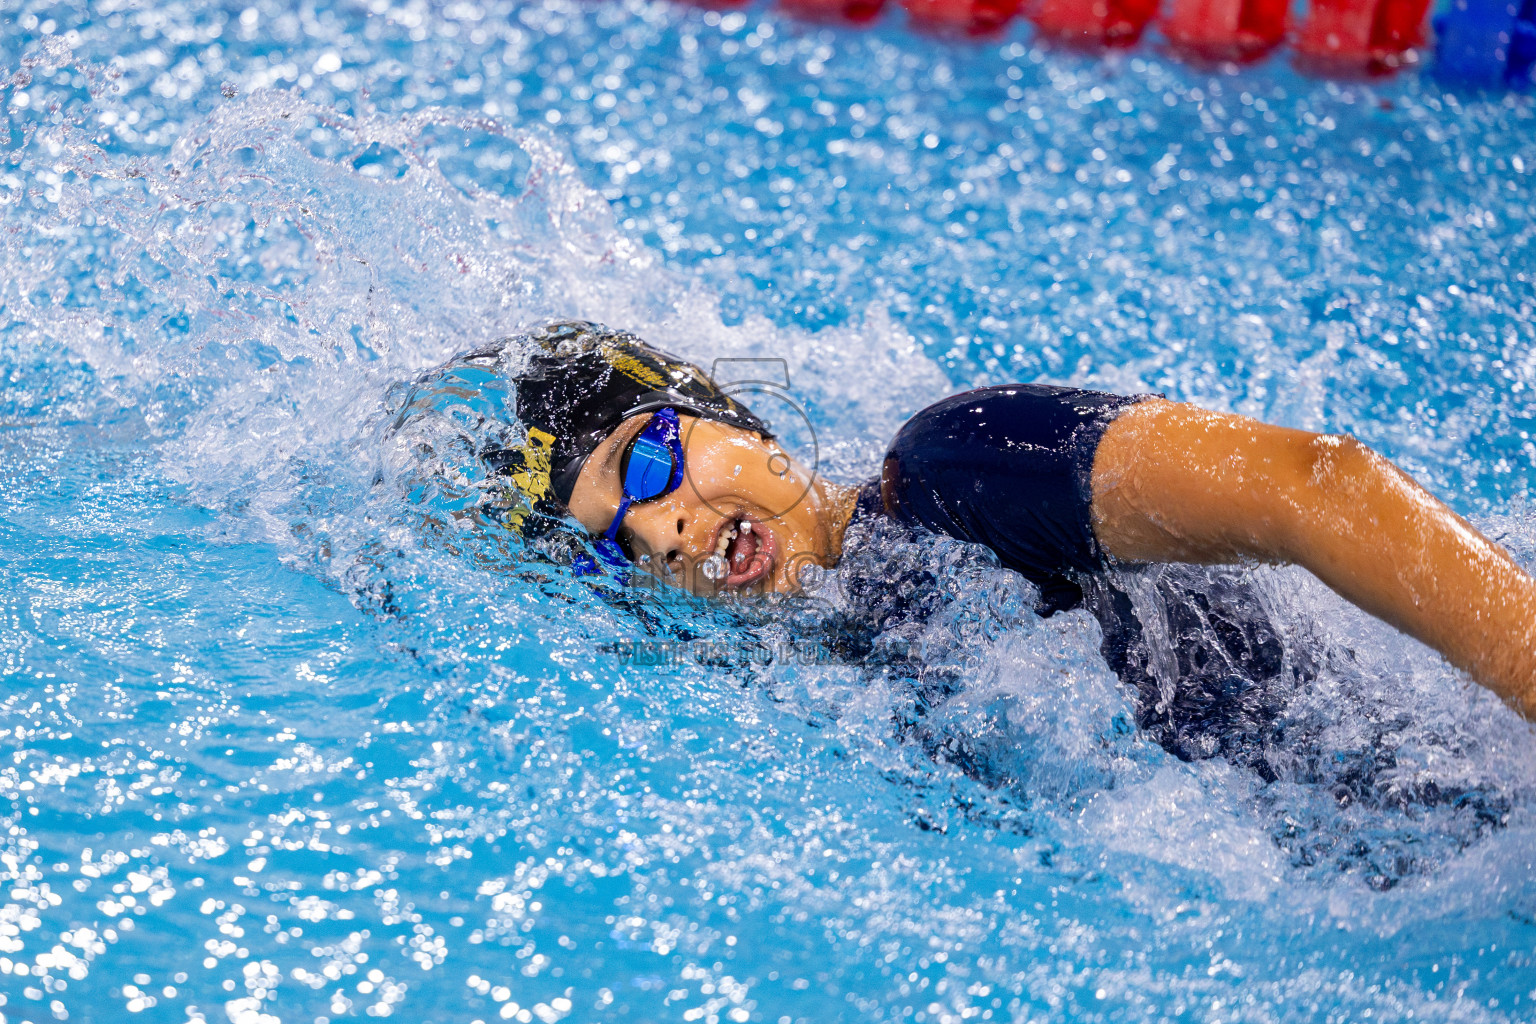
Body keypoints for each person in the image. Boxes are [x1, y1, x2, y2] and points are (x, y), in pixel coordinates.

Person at [442, 319, 1536, 722]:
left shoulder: (951, 470)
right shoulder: (831, 672)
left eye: (649, 463)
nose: (662, 532)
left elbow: (1319, 484)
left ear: (733, 415)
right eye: (609, 545)